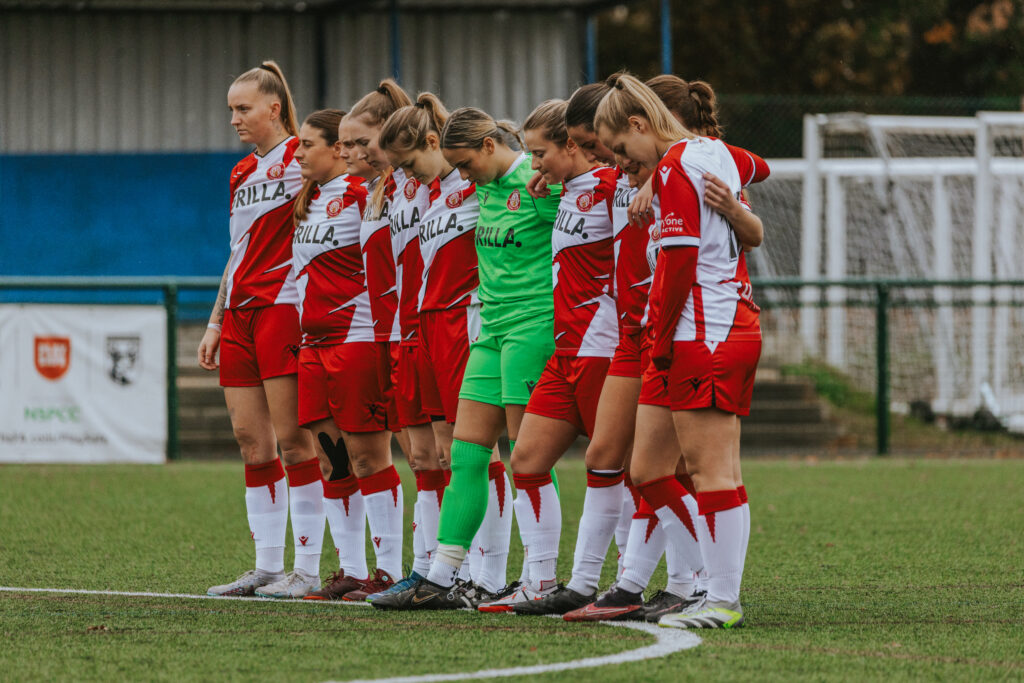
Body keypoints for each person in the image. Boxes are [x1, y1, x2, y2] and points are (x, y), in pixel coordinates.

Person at [565, 75, 769, 623]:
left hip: (704, 333)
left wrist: (656, 339)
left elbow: (678, 266)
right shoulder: (708, 154)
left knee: (713, 471)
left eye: (621, 150)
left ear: (638, 124)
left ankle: (722, 599)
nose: (619, 163)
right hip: (693, 332)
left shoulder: (680, 165)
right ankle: (704, 580)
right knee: (650, 470)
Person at [373, 107, 562, 610]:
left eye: (464, 165)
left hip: (532, 326)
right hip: (490, 328)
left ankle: (540, 580)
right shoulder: (482, 188)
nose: (459, 177)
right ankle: (440, 578)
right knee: (466, 454)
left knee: (527, 458)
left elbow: (593, 224)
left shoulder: (539, 184)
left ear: (486, 147)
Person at [479, 99, 619, 615]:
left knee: (617, 470)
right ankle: (542, 580)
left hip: (605, 351)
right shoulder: (561, 193)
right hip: (566, 350)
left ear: (573, 146)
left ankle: (628, 582)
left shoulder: (612, 188)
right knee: (528, 460)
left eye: (540, 155)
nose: (532, 166)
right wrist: (552, 183)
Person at [201, 61, 324, 598]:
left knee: (296, 444)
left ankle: (309, 569)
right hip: (241, 315)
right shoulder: (240, 172)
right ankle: (267, 566)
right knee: (253, 443)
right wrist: (215, 319)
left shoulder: (306, 159)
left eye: (243, 108)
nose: (234, 118)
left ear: (274, 108)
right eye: (231, 109)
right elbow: (237, 252)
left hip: (284, 310)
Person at [267, 108, 374, 599]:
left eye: (307, 143)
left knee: (370, 457)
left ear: (338, 148)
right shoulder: (305, 202)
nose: (298, 152)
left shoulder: (361, 195)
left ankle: (388, 568)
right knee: (333, 459)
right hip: (314, 345)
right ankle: (351, 570)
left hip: (357, 339)